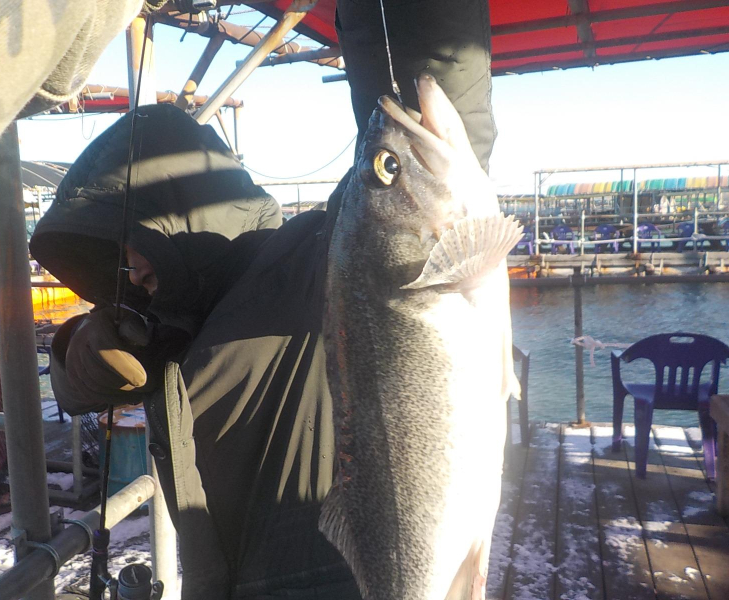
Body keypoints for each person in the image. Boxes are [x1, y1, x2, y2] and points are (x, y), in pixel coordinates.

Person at [33, 1, 496, 598]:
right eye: (116, 255)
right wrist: (82, 350)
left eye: (134, 243)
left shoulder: (303, 264)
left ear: (179, 220)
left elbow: (432, 98)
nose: (130, 267)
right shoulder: (166, 321)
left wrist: (378, 19)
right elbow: (72, 393)